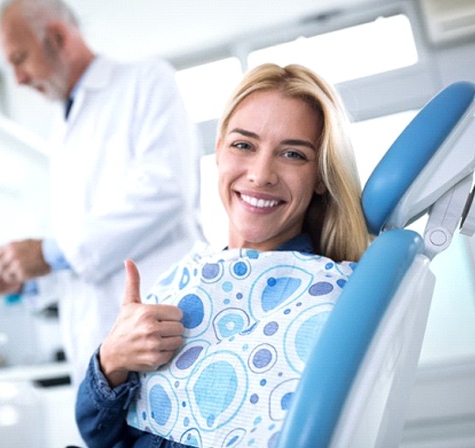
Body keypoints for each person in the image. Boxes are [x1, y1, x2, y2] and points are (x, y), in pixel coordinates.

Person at [75, 63, 370, 448]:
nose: (261, 174)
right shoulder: (186, 279)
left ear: (319, 176)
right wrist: (110, 361)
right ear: (218, 153)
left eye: (293, 154)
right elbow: (99, 434)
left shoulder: (328, 298)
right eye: (243, 145)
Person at [0, 0, 202, 384]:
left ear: (56, 37)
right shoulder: (62, 128)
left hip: (160, 336)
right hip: (100, 357)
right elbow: (81, 254)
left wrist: (50, 253)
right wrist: (26, 276)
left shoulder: (145, 81)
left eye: (20, 58)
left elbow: (167, 189)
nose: (17, 78)